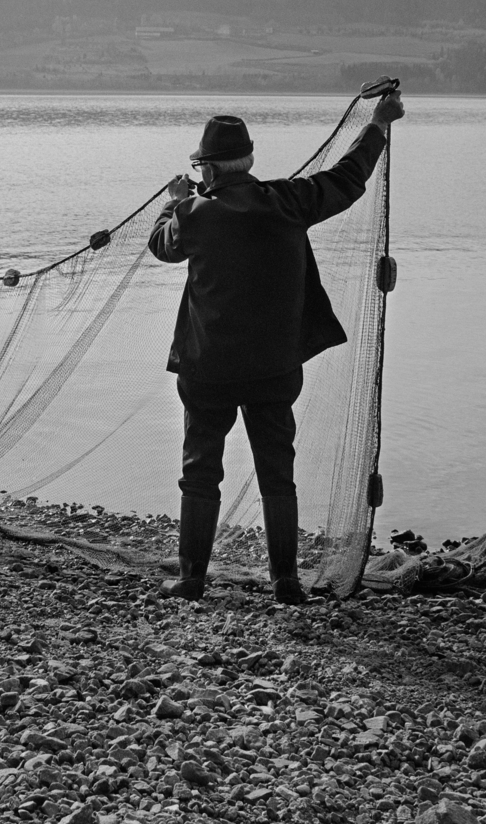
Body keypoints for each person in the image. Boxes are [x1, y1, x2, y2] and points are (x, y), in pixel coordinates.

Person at [148, 92, 404, 603]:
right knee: (276, 473)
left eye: (201, 167)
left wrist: (175, 201)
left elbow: (162, 246)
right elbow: (349, 178)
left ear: (209, 170)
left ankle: (191, 579)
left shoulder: (194, 212)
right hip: (274, 368)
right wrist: (376, 123)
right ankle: (285, 581)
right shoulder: (288, 201)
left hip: (207, 371)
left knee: (200, 473)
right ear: (248, 162)